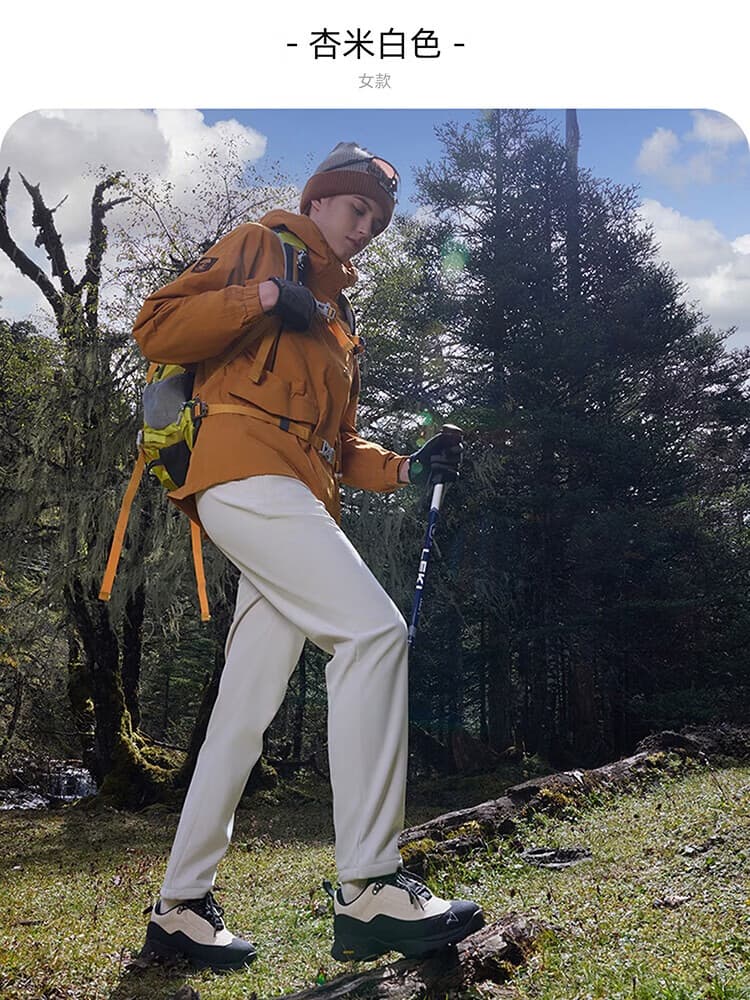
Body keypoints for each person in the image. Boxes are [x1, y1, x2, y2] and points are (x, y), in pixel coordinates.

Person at [133, 141, 483, 971]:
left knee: (242, 712)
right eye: (356, 208)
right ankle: (369, 888)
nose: (366, 228)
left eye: (379, 220)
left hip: (298, 494)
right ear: (318, 199)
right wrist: (260, 296)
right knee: (372, 633)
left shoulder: (340, 321)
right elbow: (155, 325)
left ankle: (180, 910)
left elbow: (340, 445)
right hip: (241, 473)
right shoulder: (260, 245)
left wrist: (409, 468)